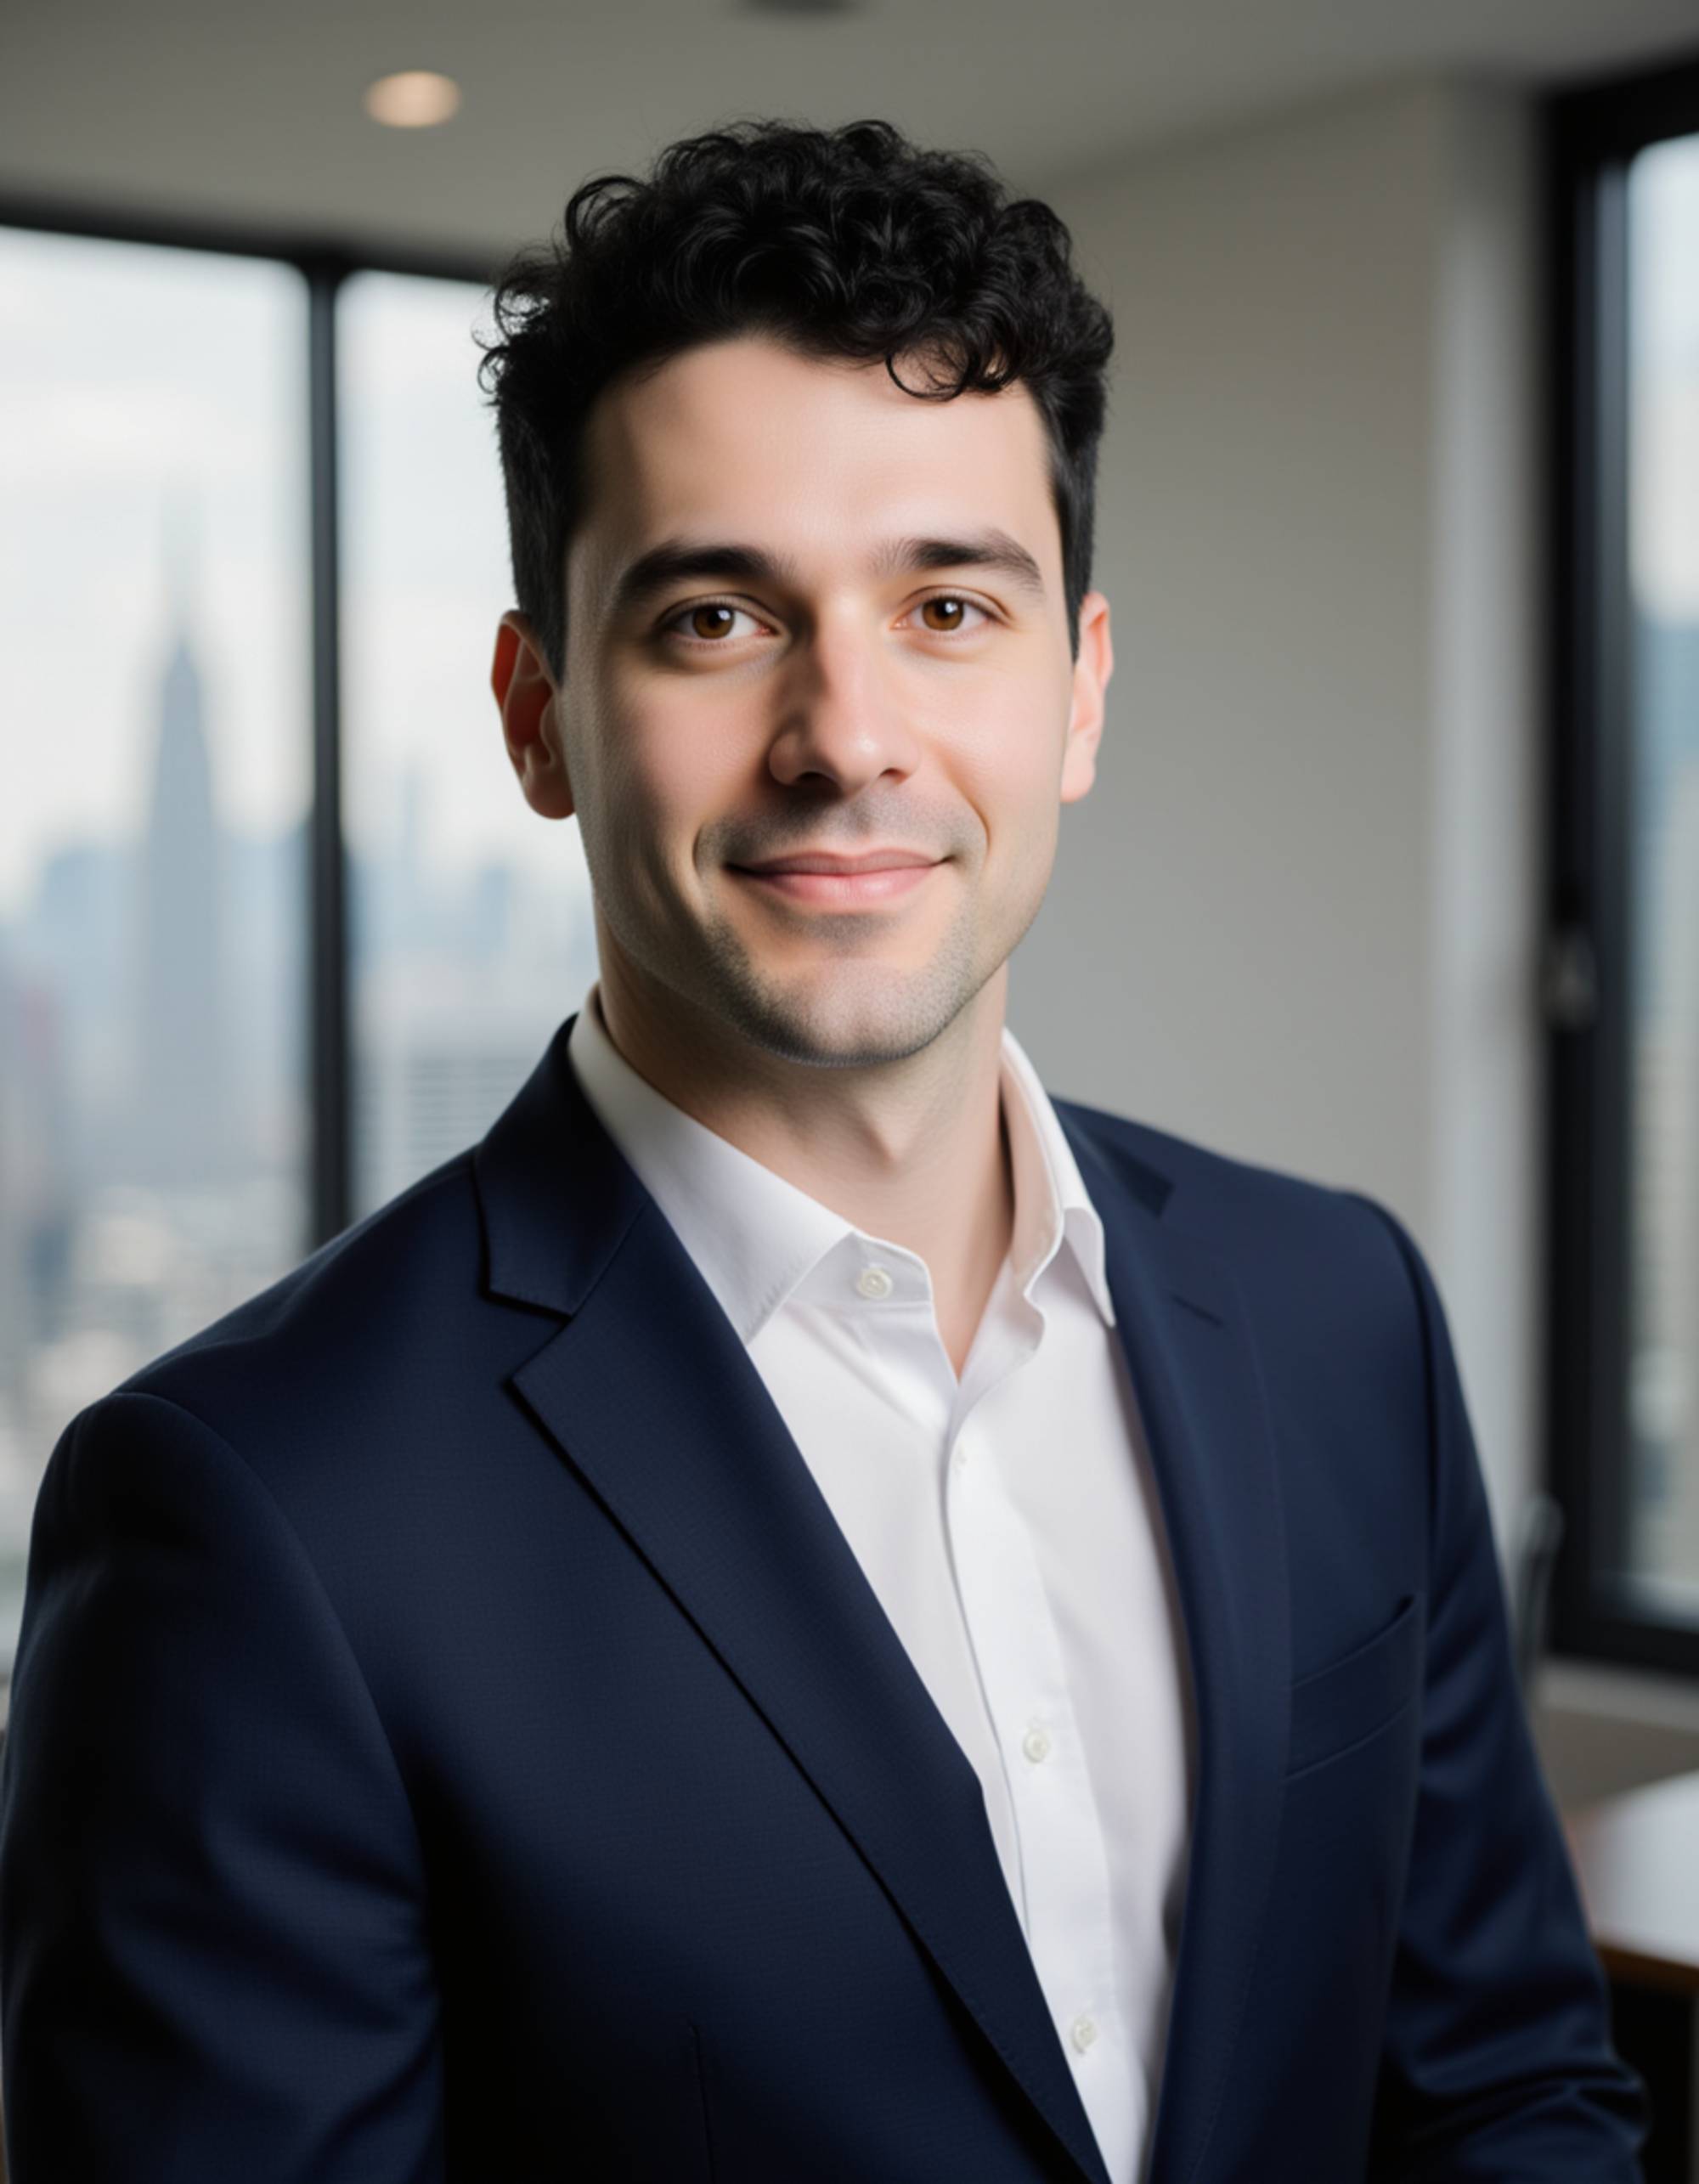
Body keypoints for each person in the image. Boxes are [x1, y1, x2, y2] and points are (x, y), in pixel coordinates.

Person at [0, 116, 1647, 2184]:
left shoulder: (1333, 1309)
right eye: (713, 618)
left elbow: (1500, 2089)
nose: (845, 730)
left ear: (1079, 690)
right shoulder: (257, 1509)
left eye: (949, 604)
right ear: (535, 715)